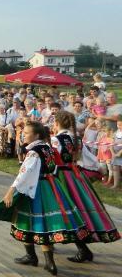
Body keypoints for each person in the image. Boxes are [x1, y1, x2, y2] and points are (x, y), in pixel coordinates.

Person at [0, 121, 88, 276]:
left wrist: (10, 191)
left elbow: (24, 173)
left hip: (35, 188)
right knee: (44, 224)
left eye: (27, 133)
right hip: (50, 187)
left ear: (36, 135)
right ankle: (49, 263)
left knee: (28, 220)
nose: (24, 135)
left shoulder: (33, 152)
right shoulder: (47, 147)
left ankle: (32, 256)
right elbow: (54, 167)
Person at [50, 111, 120, 263]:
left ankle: (76, 248)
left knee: (59, 210)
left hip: (59, 177)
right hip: (74, 178)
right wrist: (100, 169)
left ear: (57, 123)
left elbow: (52, 160)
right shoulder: (76, 139)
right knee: (74, 210)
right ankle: (65, 244)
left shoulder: (56, 140)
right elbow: (88, 158)